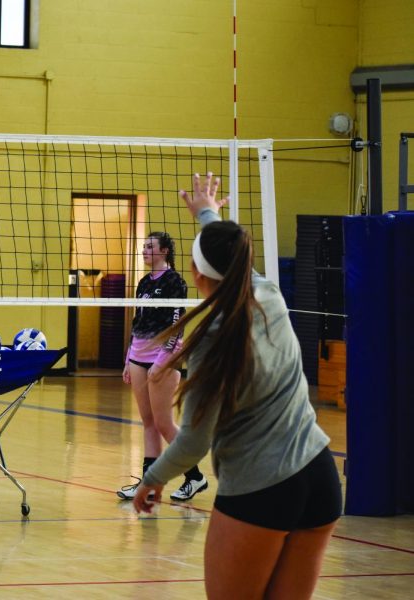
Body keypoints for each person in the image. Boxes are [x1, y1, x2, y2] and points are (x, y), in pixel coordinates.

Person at [133, 173, 342, 599]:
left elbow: (194, 441)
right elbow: (230, 255)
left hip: (262, 490)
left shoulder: (212, 341)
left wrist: (153, 477)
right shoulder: (269, 296)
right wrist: (207, 212)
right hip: (320, 478)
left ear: (193, 273)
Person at [117, 232, 207, 502]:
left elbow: (177, 328)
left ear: (164, 251)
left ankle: (195, 477)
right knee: (148, 423)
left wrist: (161, 362)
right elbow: (137, 323)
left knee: (164, 423)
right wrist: (127, 360)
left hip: (163, 357)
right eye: (143, 246)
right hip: (138, 357)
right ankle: (149, 484)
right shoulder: (143, 282)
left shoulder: (175, 283)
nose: (144, 251)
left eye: (150, 247)